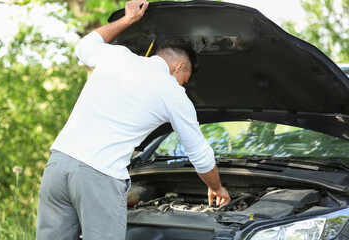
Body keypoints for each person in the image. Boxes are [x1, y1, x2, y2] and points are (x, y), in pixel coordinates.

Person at [36, 0, 231, 239]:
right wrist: (215, 187)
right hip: (100, 174)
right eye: (184, 79)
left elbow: (84, 47)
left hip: (58, 164)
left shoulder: (117, 56)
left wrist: (128, 19)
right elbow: (200, 154)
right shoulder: (171, 91)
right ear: (179, 66)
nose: (183, 85)